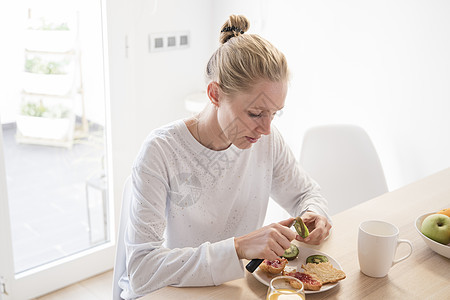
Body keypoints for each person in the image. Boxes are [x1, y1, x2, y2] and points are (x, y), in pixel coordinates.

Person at [118, 14, 332, 299]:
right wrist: (238, 248)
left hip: (233, 290)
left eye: (274, 114)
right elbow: (143, 269)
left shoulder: (266, 140)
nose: (266, 129)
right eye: (255, 113)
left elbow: (305, 193)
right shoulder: (161, 152)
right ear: (215, 94)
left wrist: (314, 213)